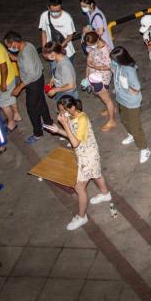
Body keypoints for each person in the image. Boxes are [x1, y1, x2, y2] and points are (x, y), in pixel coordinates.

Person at [49, 97, 112, 231]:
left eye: (62, 111)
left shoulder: (82, 119)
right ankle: (106, 194)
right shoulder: (71, 117)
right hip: (85, 154)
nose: (60, 114)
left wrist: (64, 124)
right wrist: (58, 130)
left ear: (71, 108)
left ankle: (82, 216)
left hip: (88, 156)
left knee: (79, 187)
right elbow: (72, 135)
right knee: (96, 174)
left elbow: (75, 142)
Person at [4, 32, 51, 145]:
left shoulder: (25, 56)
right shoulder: (27, 45)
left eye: (9, 46)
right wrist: (15, 58)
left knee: (32, 109)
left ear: (14, 43)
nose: (9, 48)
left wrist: (19, 87)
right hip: (40, 79)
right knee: (41, 102)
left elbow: (31, 74)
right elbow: (28, 62)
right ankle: (48, 123)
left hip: (33, 83)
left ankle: (38, 133)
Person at [109, 47, 150, 164]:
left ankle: (144, 149)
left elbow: (136, 87)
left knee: (135, 127)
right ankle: (131, 135)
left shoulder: (129, 70)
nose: (113, 61)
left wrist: (131, 90)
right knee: (124, 120)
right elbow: (111, 67)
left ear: (121, 59)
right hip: (121, 99)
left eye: (114, 59)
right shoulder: (117, 64)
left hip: (131, 103)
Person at [83, 31, 118, 129]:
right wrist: (87, 76)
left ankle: (112, 120)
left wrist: (94, 66)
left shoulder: (105, 50)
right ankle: (109, 109)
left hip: (102, 77)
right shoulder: (93, 46)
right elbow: (89, 59)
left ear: (97, 40)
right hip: (94, 75)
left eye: (92, 45)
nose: (90, 47)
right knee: (101, 95)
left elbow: (110, 67)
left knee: (106, 99)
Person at [38, 0, 77, 64]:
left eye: (58, 11)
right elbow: (44, 33)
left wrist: (59, 48)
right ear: (48, 8)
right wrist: (44, 50)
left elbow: (70, 36)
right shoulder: (44, 16)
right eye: (53, 11)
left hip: (67, 51)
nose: (55, 13)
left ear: (61, 7)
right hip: (51, 51)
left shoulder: (67, 18)